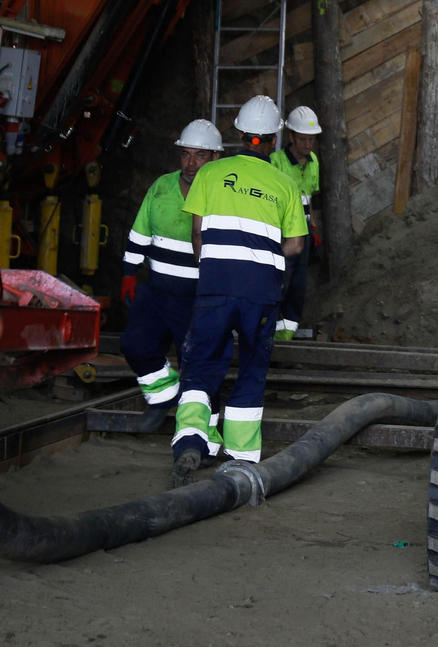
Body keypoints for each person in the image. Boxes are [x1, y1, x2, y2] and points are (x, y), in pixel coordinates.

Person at [169, 95, 307, 487]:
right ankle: (242, 459)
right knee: (251, 368)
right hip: (260, 292)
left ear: (241, 135)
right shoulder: (284, 183)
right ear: (275, 140)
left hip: (215, 286)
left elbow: (196, 232)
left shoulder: (210, 175)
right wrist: (261, 252)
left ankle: (192, 442)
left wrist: (212, 266)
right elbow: (296, 245)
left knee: (201, 363)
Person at [119, 119, 222, 429]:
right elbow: (140, 232)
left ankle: (203, 429)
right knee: (135, 346)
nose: (190, 164)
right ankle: (163, 395)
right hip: (157, 290)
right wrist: (128, 273)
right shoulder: (162, 186)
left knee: (197, 363)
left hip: (197, 297)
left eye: (199, 156)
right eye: (185, 155)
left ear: (215, 158)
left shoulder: (222, 194)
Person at [271, 105, 323, 341]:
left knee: (296, 289)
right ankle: (266, 332)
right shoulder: (276, 162)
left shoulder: (313, 162)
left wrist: (314, 229)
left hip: (303, 235)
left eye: (312, 140)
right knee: (278, 285)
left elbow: (309, 198)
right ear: (291, 136)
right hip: (282, 235)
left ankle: (285, 338)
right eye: (303, 139)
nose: (308, 145)